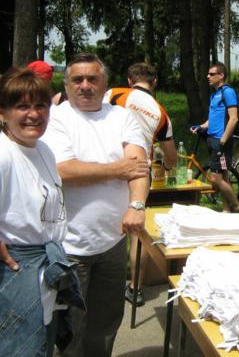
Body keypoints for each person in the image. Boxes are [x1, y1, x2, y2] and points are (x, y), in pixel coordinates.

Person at [0, 68, 83, 357]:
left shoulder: (43, 149)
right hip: (12, 274)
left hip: (44, 270)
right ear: (1, 112)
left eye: (41, 105)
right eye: (22, 106)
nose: (34, 114)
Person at [41, 53, 150, 357]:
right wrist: (118, 168)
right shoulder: (56, 118)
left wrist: (137, 205)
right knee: (70, 328)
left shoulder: (122, 117)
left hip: (113, 241)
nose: (85, 85)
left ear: (105, 84)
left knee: (106, 322)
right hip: (69, 245)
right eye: (77, 79)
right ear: (67, 84)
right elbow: (65, 171)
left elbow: (139, 167)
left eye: (93, 79)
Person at [104, 62, 178, 307]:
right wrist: (165, 166)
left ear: (129, 80)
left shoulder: (113, 94)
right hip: (139, 174)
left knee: (106, 223)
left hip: (107, 166)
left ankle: (101, 285)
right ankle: (135, 288)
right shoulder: (161, 113)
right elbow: (171, 157)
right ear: (154, 82)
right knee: (137, 231)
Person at [190, 62, 239, 214]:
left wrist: (223, 140)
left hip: (221, 142)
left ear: (221, 75)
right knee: (224, 176)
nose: (208, 76)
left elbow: (234, 118)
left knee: (216, 179)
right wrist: (200, 127)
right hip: (212, 140)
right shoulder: (214, 94)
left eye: (212, 74)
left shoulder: (228, 92)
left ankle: (238, 207)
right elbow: (211, 120)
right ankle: (226, 210)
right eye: (208, 74)